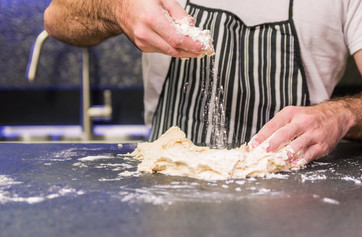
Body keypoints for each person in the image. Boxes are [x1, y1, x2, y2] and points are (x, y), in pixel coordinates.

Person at [44, 0, 362, 166]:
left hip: (292, 199)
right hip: (168, 184)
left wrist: (343, 114)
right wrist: (117, 7)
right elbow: (57, 18)